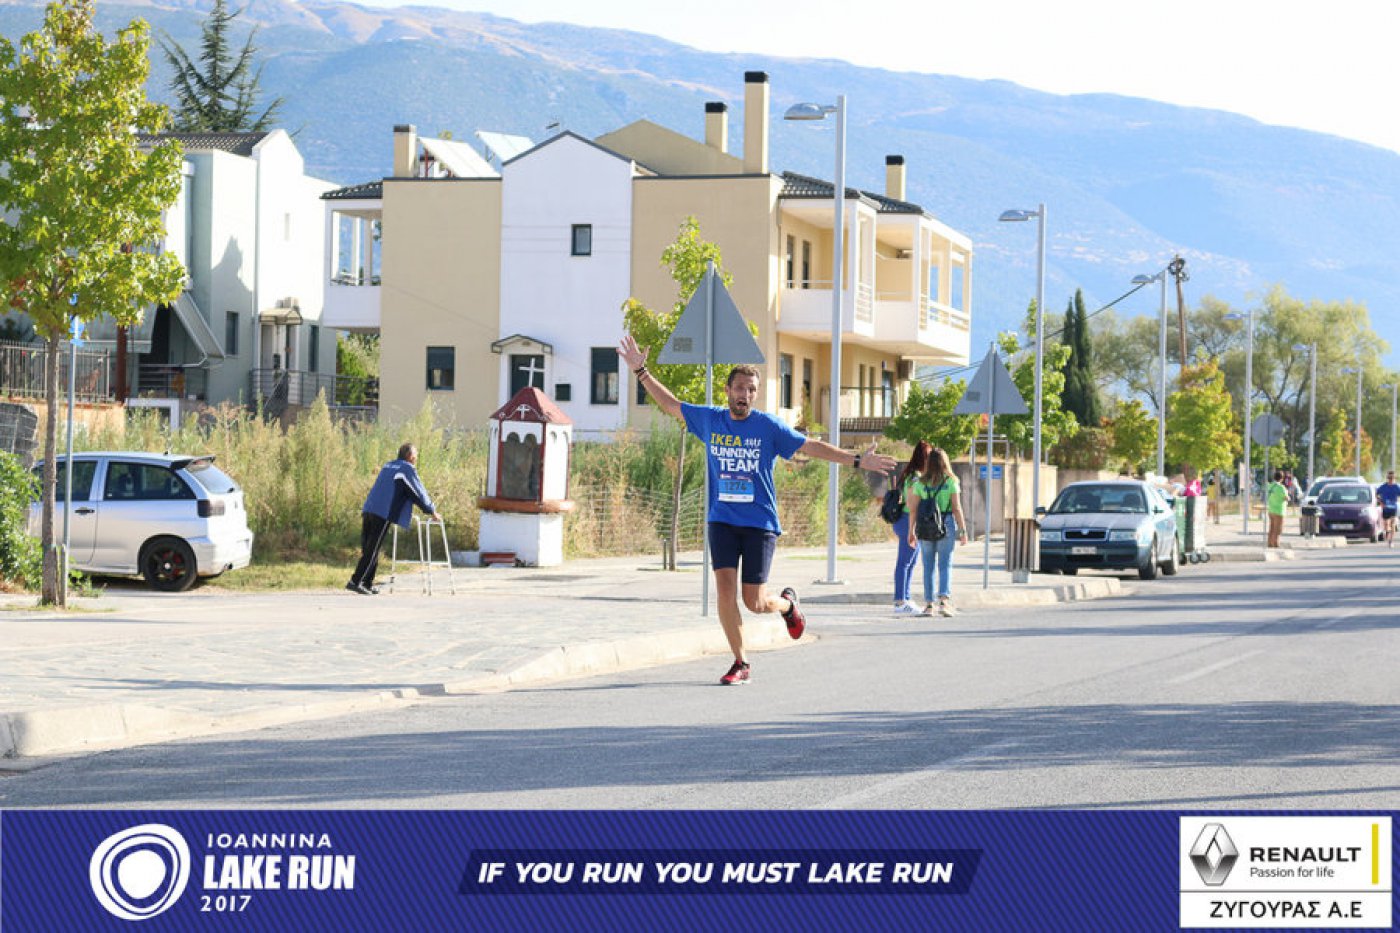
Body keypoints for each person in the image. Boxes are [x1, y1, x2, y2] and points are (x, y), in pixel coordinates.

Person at [618, 334, 897, 685]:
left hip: (759, 524)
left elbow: (810, 446)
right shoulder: (710, 420)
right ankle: (741, 662)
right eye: (740, 388)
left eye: (751, 390)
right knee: (724, 591)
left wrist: (856, 460)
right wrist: (641, 372)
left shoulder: (767, 426)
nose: (745, 395)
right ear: (727, 390)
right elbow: (671, 405)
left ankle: (788, 605)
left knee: (755, 602)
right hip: (721, 520)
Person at [348, 443, 441, 595]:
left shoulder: (388, 465)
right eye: (416, 455)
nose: (416, 458)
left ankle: (366, 583)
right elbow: (417, 491)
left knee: (369, 548)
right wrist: (431, 510)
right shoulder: (406, 468)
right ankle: (356, 581)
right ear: (410, 456)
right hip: (383, 511)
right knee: (373, 549)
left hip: (369, 507)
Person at [905, 446, 969, 617]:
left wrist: (911, 531)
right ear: (945, 462)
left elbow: (913, 509)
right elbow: (956, 508)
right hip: (946, 523)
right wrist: (963, 531)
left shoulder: (920, 484)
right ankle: (943, 602)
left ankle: (929, 605)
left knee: (928, 566)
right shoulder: (951, 482)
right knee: (945, 564)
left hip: (925, 525)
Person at [890, 442, 931, 616]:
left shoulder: (916, 475)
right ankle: (900, 601)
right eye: (929, 456)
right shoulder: (915, 477)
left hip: (910, 521)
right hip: (908, 520)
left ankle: (905, 597)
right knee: (904, 562)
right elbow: (912, 503)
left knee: (911, 562)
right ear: (923, 458)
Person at [1376, 470, 1400, 548]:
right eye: (1389, 478)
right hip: (1385, 508)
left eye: (1392, 478)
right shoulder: (1383, 487)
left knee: (1393, 524)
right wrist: (1381, 502)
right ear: (1387, 478)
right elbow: (1376, 494)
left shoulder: (1397, 487)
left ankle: (1391, 541)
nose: (1391, 479)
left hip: (1394, 508)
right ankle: (1387, 532)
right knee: (1386, 525)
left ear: (1394, 478)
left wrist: (1398, 500)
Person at [1265, 469, 1287, 549]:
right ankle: (1276, 543)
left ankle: (1269, 543)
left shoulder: (1270, 486)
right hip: (1279, 510)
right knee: (1278, 529)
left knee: (1272, 528)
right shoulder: (1281, 487)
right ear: (1282, 478)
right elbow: (1285, 498)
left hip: (1271, 509)